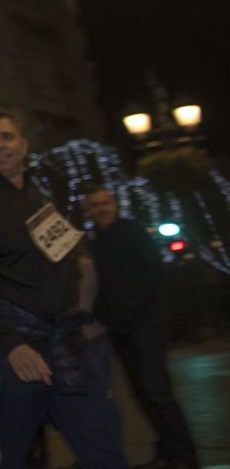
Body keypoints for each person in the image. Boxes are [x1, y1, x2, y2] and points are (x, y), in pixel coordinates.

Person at [0, 109, 125, 468]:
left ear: (24, 145)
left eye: (7, 136)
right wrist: (11, 345)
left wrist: (84, 314)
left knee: (106, 449)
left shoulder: (39, 198)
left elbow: (68, 261)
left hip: (65, 345)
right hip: (12, 356)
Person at [83, 186, 200, 469]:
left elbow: (154, 272)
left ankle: (185, 456)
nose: (101, 209)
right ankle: (168, 451)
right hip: (119, 328)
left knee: (156, 389)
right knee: (142, 392)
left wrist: (130, 308)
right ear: (88, 210)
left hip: (146, 323)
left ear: (115, 204)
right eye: (95, 205)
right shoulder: (93, 241)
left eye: (105, 202)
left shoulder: (132, 231)